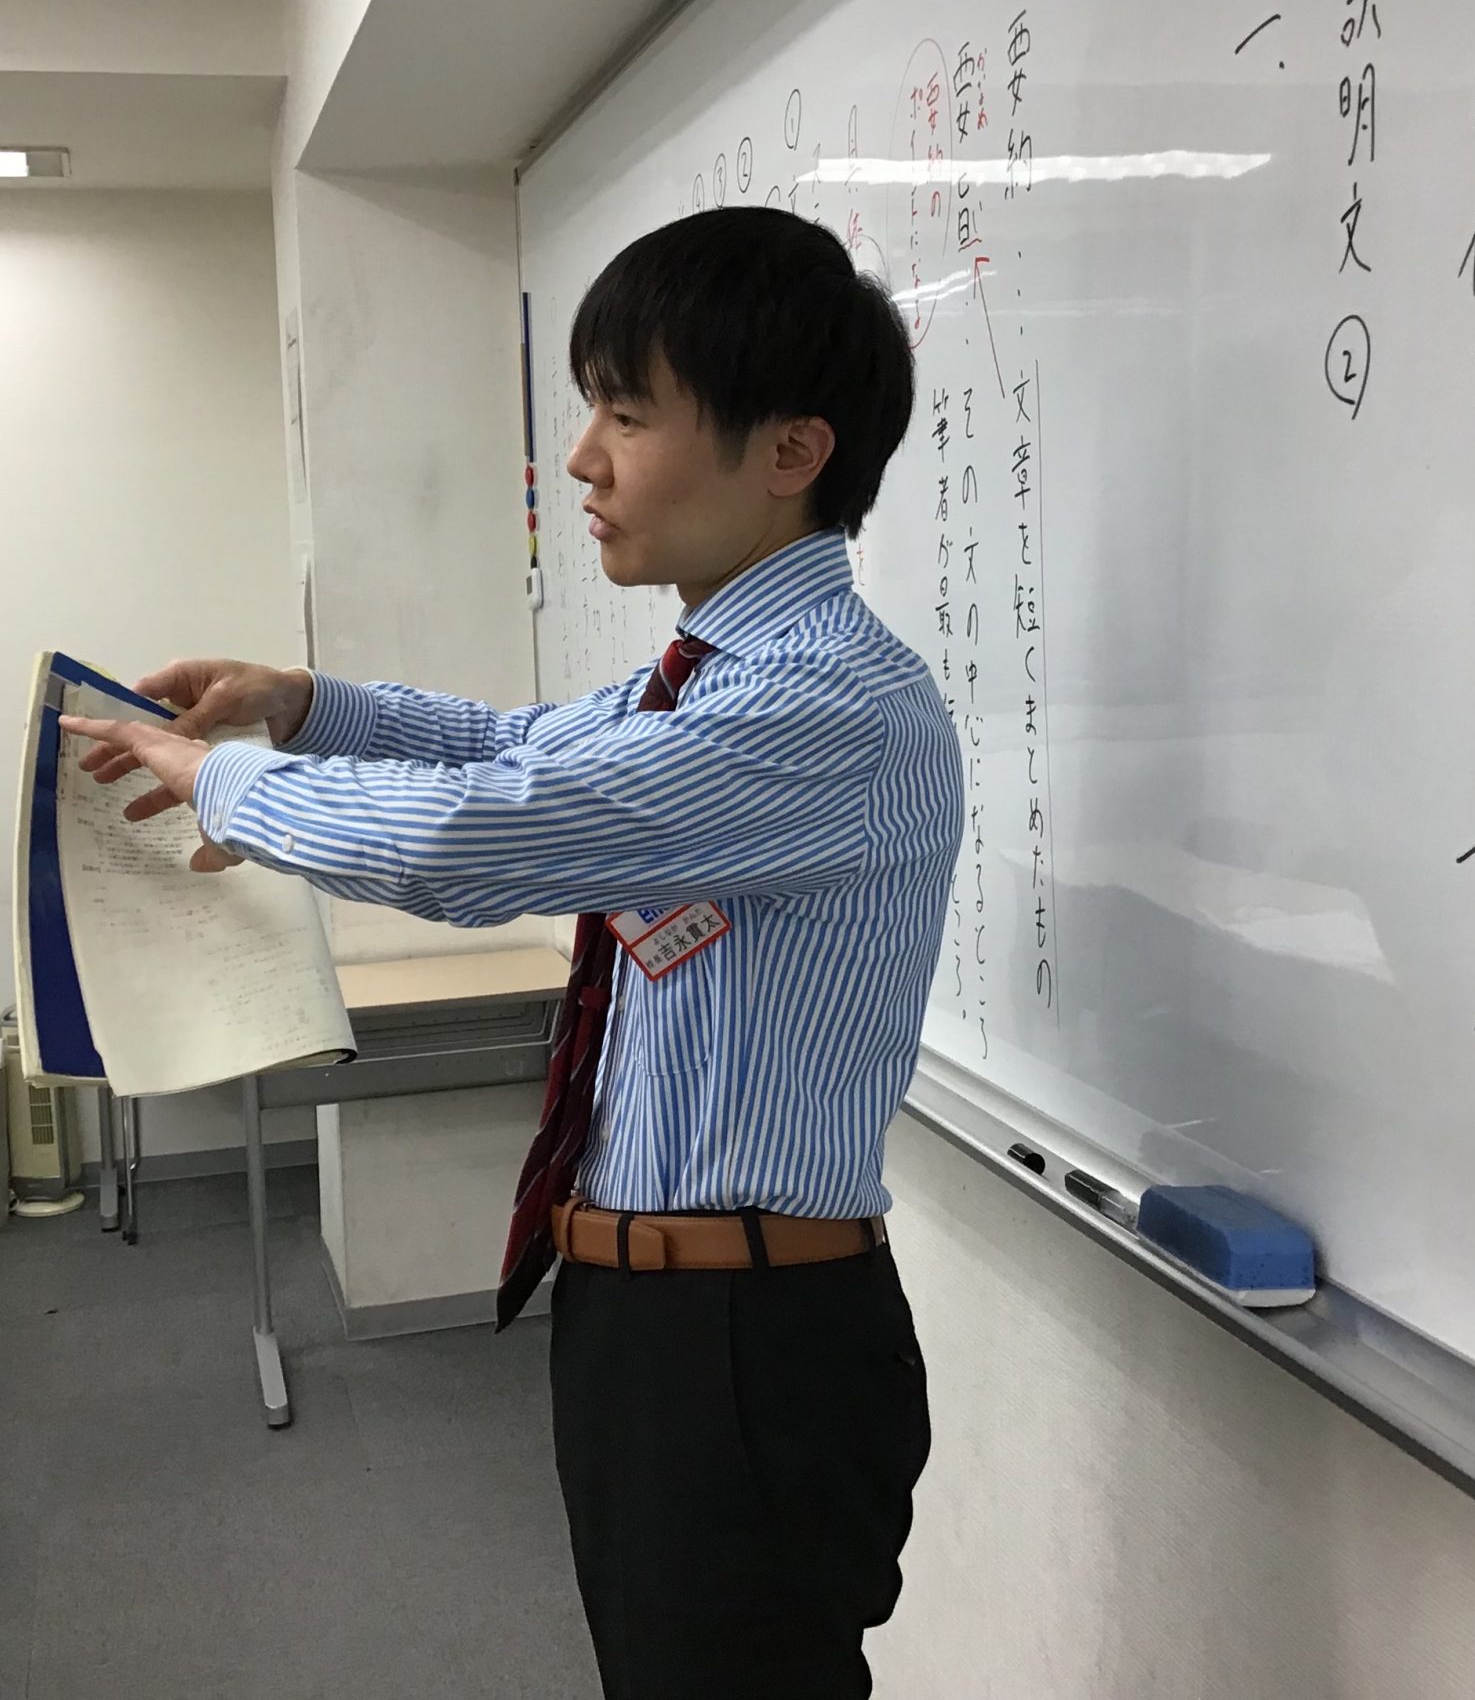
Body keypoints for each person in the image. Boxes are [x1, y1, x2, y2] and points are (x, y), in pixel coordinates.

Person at [62, 206, 960, 1700]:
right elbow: (507, 747)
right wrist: (303, 706)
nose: (585, 460)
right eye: (590, 408)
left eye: (630, 413)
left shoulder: (823, 707)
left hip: (748, 1336)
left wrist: (218, 780)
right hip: (654, 1306)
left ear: (793, 450)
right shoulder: (702, 680)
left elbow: (474, 835)